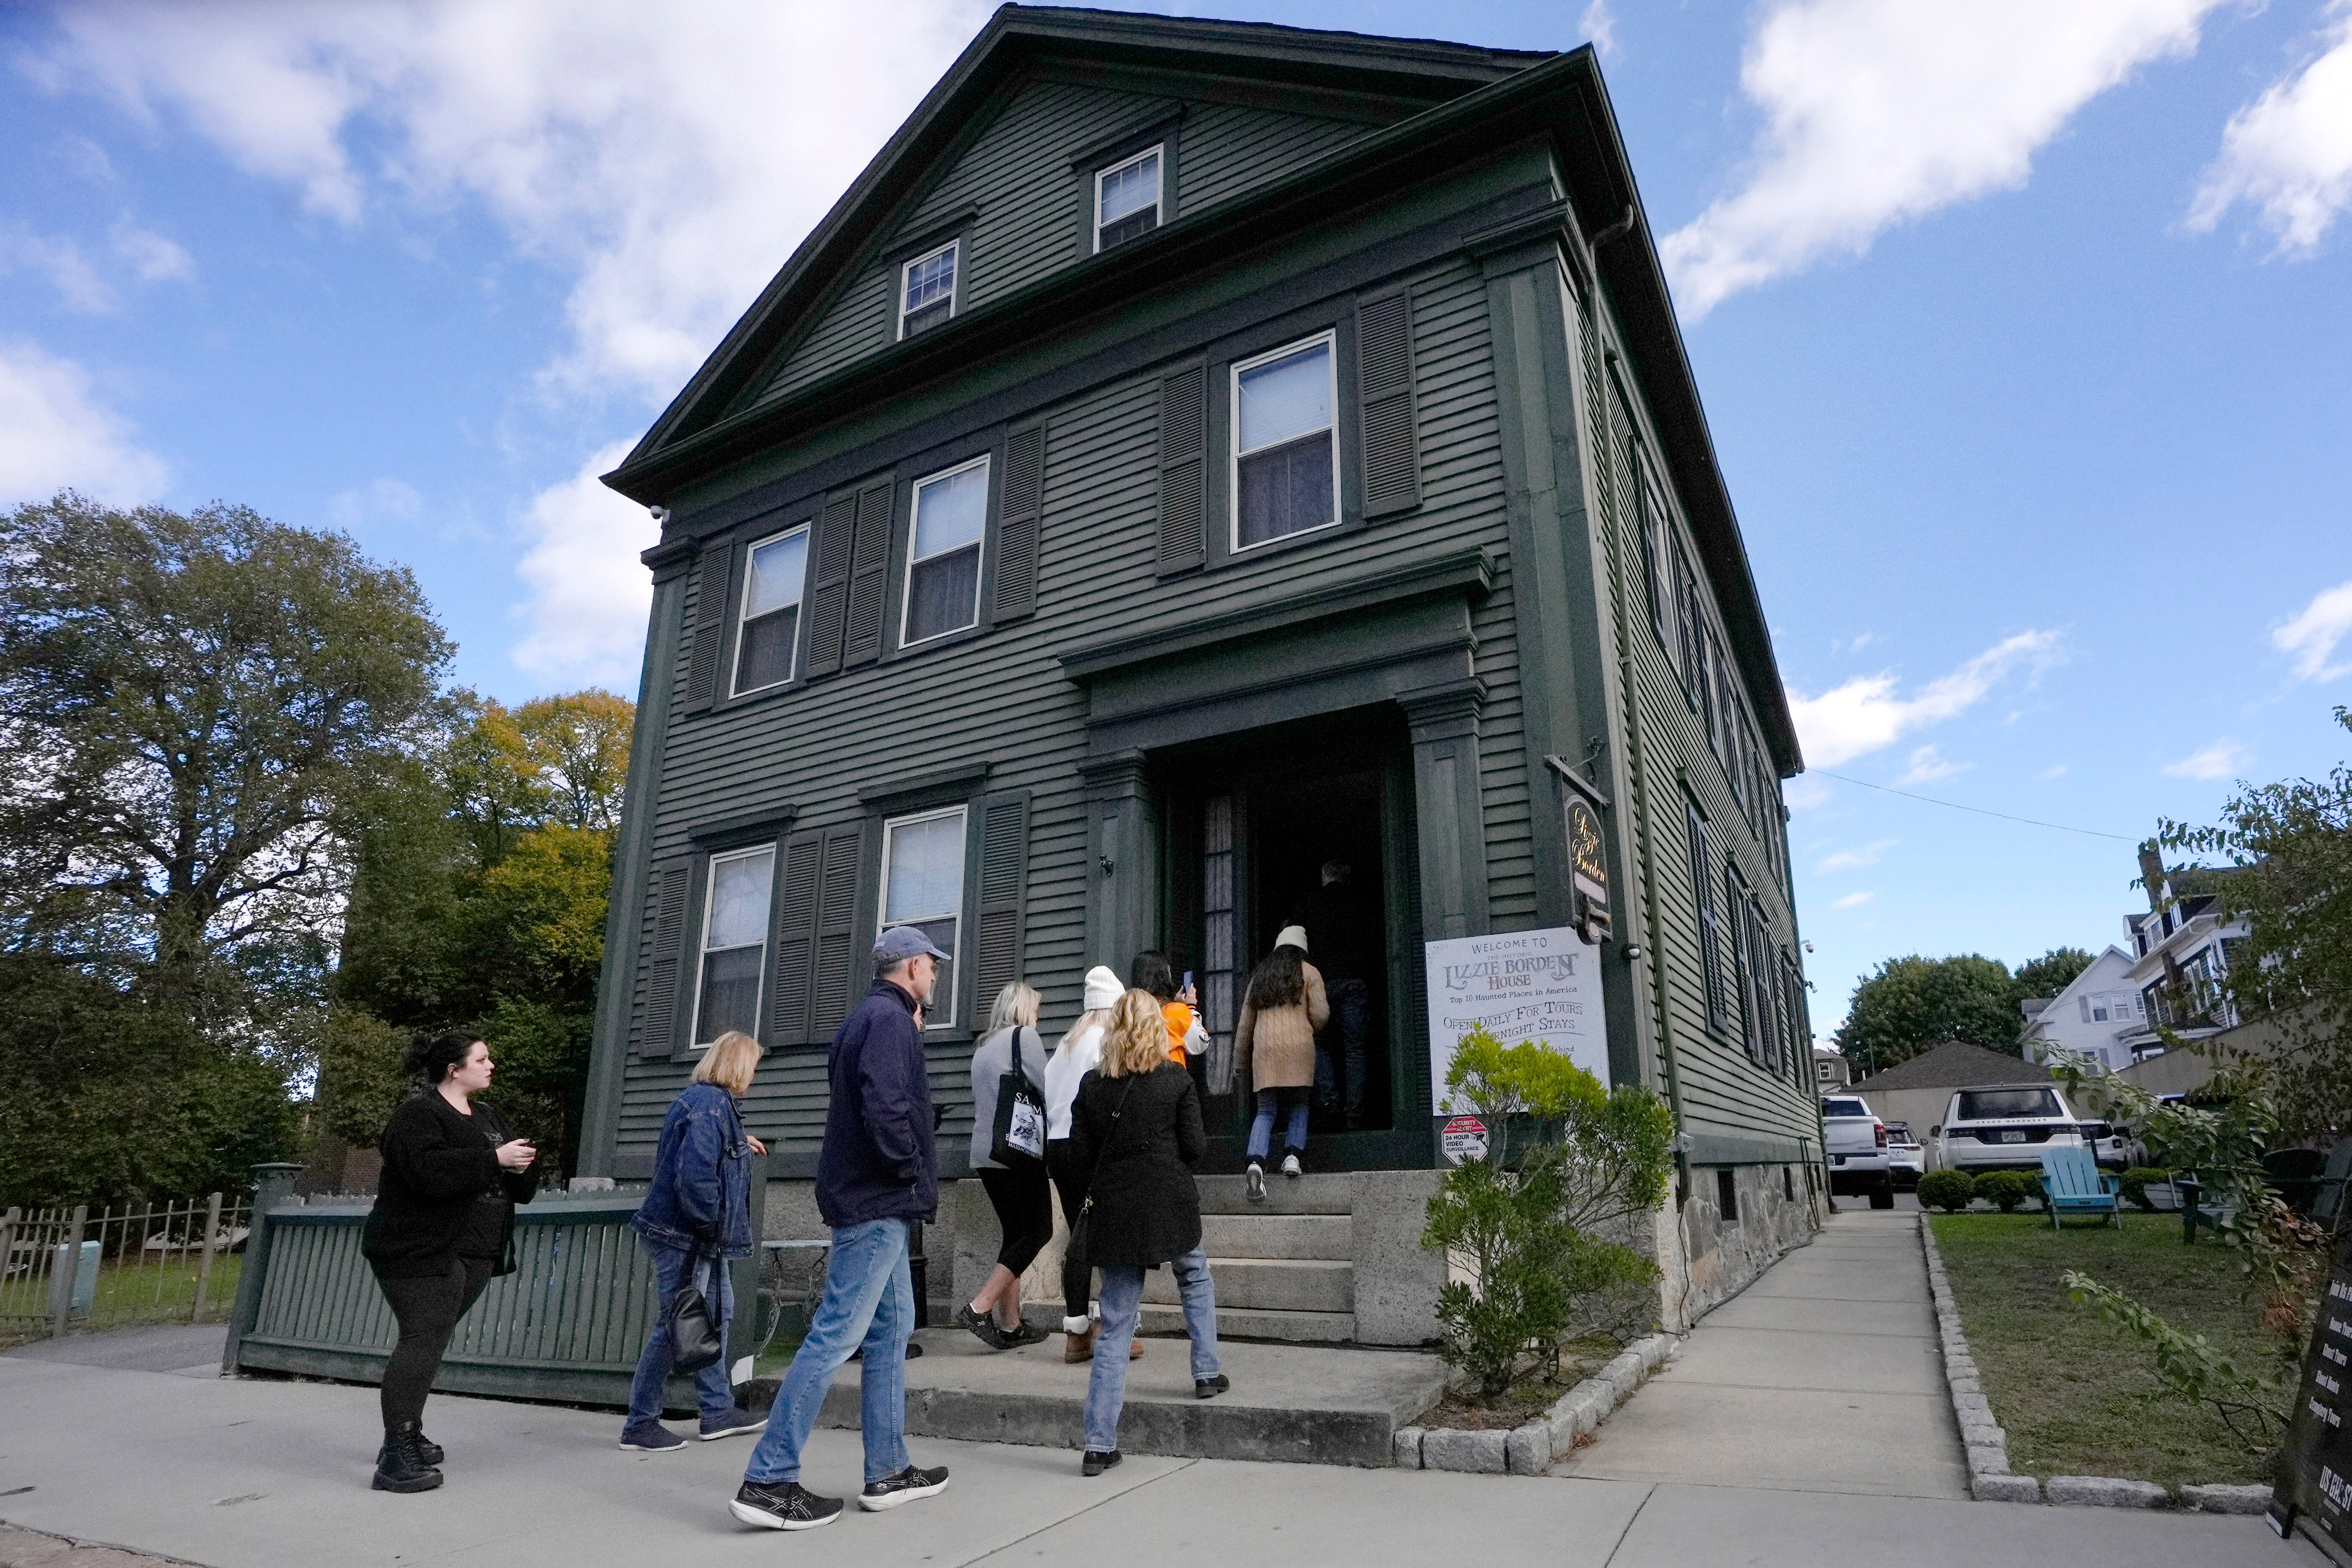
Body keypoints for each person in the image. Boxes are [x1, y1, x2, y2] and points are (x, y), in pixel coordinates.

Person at [728, 926, 953, 1532]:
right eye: (932, 966)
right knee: (835, 1334)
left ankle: (888, 1470)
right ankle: (768, 1478)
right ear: (910, 968)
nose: (935, 975)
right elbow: (884, 1109)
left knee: (890, 1329)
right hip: (877, 1200)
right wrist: (909, 1168)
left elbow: (870, 1101)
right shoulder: (886, 1022)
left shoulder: (872, 1020)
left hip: (876, 1199)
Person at [359, 1033, 539, 1493]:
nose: (491, 1064)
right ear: (454, 1069)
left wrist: (518, 1165)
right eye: (482, 1058)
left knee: (431, 1339)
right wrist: (493, 1159)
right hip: (418, 1249)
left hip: (476, 1250)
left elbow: (513, 1179)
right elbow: (427, 1174)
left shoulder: (488, 1117)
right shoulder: (419, 1116)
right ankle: (396, 1456)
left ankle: (406, 1433)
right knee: (422, 1339)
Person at [1066, 989, 1226, 1476]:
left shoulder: (1093, 1086)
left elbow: (1078, 1156)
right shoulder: (1176, 1080)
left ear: (1114, 1029)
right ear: (1158, 1028)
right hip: (1170, 1203)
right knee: (1194, 1275)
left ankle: (1098, 1444)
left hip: (1117, 1209)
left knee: (1115, 1322)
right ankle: (1206, 1372)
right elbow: (1196, 1148)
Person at [619, 1029, 772, 1451]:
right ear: (739, 1065)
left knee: (712, 1319)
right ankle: (640, 1423)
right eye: (753, 1067)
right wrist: (711, 1226)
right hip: (687, 1237)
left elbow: (701, 1156)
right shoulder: (710, 1106)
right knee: (677, 1325)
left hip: (695, 1237)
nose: (754, 1076)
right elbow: (696, 1176)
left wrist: (739, 1142)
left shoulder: (710, 1105)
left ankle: (717, 1411)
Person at [1043, 965, 1143, 1365]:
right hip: (1092, 1147)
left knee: (1078, 1236)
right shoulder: (1108, 1041)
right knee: (1108, 1238)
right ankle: (1117, 1327)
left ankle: (1076, 1333)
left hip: (1057, 1146)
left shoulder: (1068, 1041)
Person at [957, 982, 1053, 1351]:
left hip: (985, 1154)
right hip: (1018, 1150)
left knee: (1016, 1235)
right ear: (1023, 1009)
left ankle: (1011, 1325)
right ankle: (979, 1308)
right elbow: (1047, 1089)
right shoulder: (1024, 1037)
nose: (1038, 1016)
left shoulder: (981, 1047)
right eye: (1036, 1009)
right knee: (1039, 1229)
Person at [1233, 926, 1329, 1202]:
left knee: (1266, 1111)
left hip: (1265, 1052)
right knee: (1299, 1104)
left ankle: (1255, 1163)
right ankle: (1292, 1158)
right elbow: (1321, 1015)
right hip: (1299, 1048)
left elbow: (1245, 1025)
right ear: (1302, 949)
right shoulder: (1309, 973)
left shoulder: (1260, 977)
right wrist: (1307, 1027)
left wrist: (1240, 1062)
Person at [1290, 861, 1373, 1125]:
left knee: (1320, 1045)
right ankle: (1354, 1114)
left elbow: (1294, 938)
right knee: (1355, 1050)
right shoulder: (1360, 902)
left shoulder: (1309, 901)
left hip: (1321, 983)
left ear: (1324, 877)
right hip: (1354, 982)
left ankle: (1328, 1102)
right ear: (1346, 879)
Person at [1132, 948, 1209, 1100]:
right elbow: (1200, 1043)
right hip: (1171, 1087)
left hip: (1138, 1087)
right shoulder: (1176, 1011)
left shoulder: (1131, 1012)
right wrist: (1190, 1008)